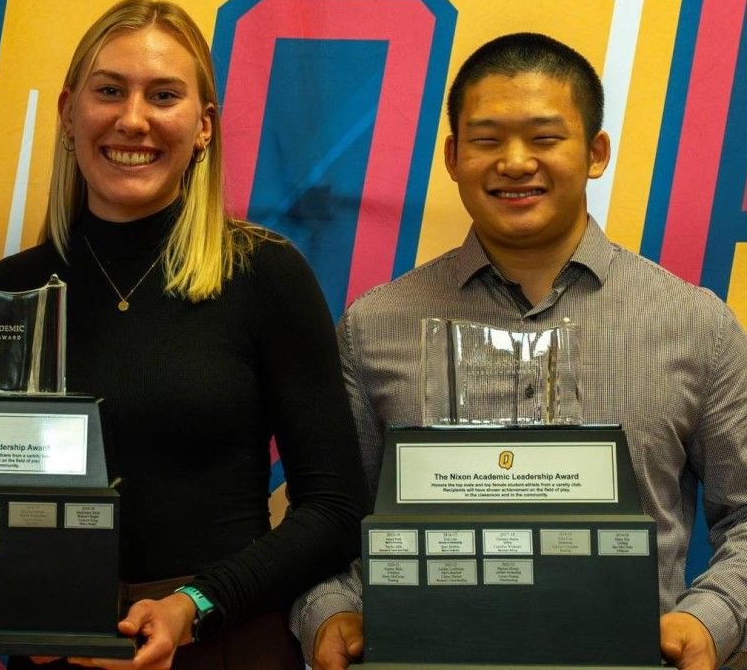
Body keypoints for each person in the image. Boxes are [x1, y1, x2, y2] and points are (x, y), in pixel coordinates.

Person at [292, 33, 747, 670]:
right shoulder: (375, 328)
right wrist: (329, 609)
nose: (514, 162)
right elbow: (326, 516)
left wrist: (711, 620)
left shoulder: (696, 326)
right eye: (485, 139)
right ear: (451, 157)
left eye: (543, 137)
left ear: (596, 152)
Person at [0, 0, 367, 670]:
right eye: (109, 92)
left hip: (224, 643)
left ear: (203, 126)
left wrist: (195, 604)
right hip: (57, 652)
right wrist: (1, 601)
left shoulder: (266, 276)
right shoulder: (9, 293)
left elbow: (332, 510)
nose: (134, 119)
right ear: (69, 112)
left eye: (163, 95)